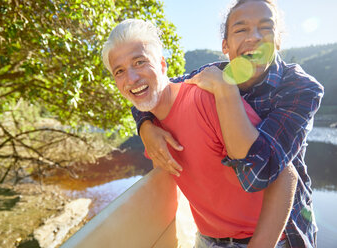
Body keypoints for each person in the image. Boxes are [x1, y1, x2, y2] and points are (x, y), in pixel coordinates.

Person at [130, 0, 324, 247]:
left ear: (277, 41)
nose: (253, 37)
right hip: (211, 236)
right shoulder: (210, 73)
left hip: (280, 234)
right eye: (241, 29)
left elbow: (259, 173)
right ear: (225, 45)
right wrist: (146, 126)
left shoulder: (299, 88)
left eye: (265, 28)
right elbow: (153, 91)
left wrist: (225, 91)